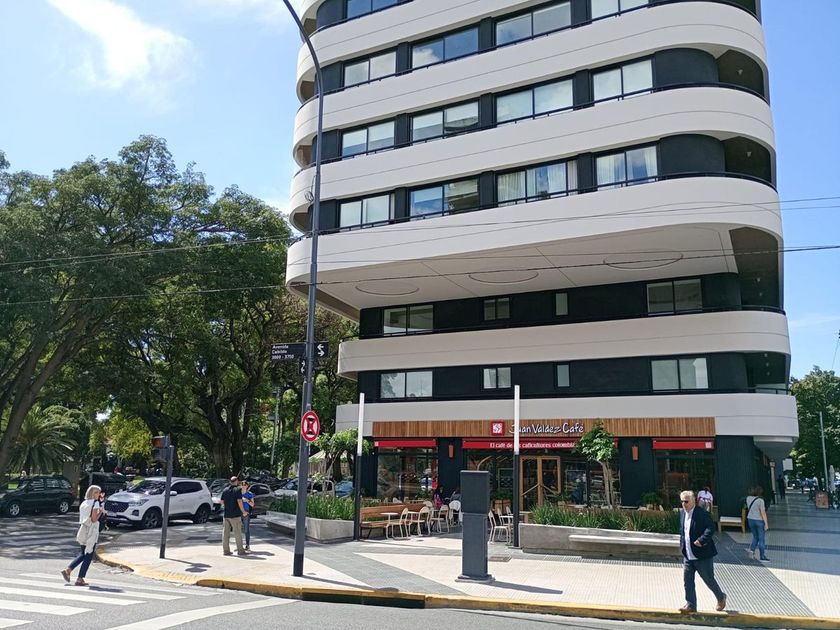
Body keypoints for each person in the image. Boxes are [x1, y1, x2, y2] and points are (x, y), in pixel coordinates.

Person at [678, 490, 726, 614]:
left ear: (693, 501)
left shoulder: (702, 513)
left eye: (686, 501)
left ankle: (720, 597)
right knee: (687, 580)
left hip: (702, 554)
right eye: (682, 501)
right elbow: (683, 531)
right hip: (688, 554)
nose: (684, 504)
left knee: (708, 579)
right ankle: (691, 604)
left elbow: (711, 528)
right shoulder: (682, 513)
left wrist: (702, 540)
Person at [62, 484, 102, 586]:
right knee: (88, 555)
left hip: (82, 529)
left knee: (83, 553)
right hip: (91, 531)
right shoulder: (95, 503)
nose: (99, 494)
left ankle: (68, 570)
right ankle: (80, 578)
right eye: (97, 492)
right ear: (93, 493)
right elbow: (94, 519)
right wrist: (100, 512)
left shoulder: (84, 503)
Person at [221, 476, 247, 556]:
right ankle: (240, 551)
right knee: (237, 533)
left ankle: (226, 551)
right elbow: (239, 501)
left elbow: (221, 501)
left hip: (226, 515)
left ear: (230, 482)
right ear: (237, 481)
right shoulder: (238, 490)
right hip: (235, 515)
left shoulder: (225, 490)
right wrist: (243, 511)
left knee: (225, 534)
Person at [745, 485, 769, 561]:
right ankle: (762, 556)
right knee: (761, 539)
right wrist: (766, 523)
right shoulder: (760, 500)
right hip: (759, 520)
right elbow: (763, 513)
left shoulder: (748, 498)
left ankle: (751, 551)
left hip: (750, 519)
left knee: (755, 536)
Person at [240, 481, 255, 552]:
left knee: (246, 529)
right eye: (242, 485)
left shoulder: (249, 494)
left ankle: (247, 545)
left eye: (245, 485)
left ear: (247, 486)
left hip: (246, 513)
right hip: (238, 513)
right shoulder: (238, 493)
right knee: (238, 529)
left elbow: (252, 504)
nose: (243, 486)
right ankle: (239, 545)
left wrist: (247, 500)